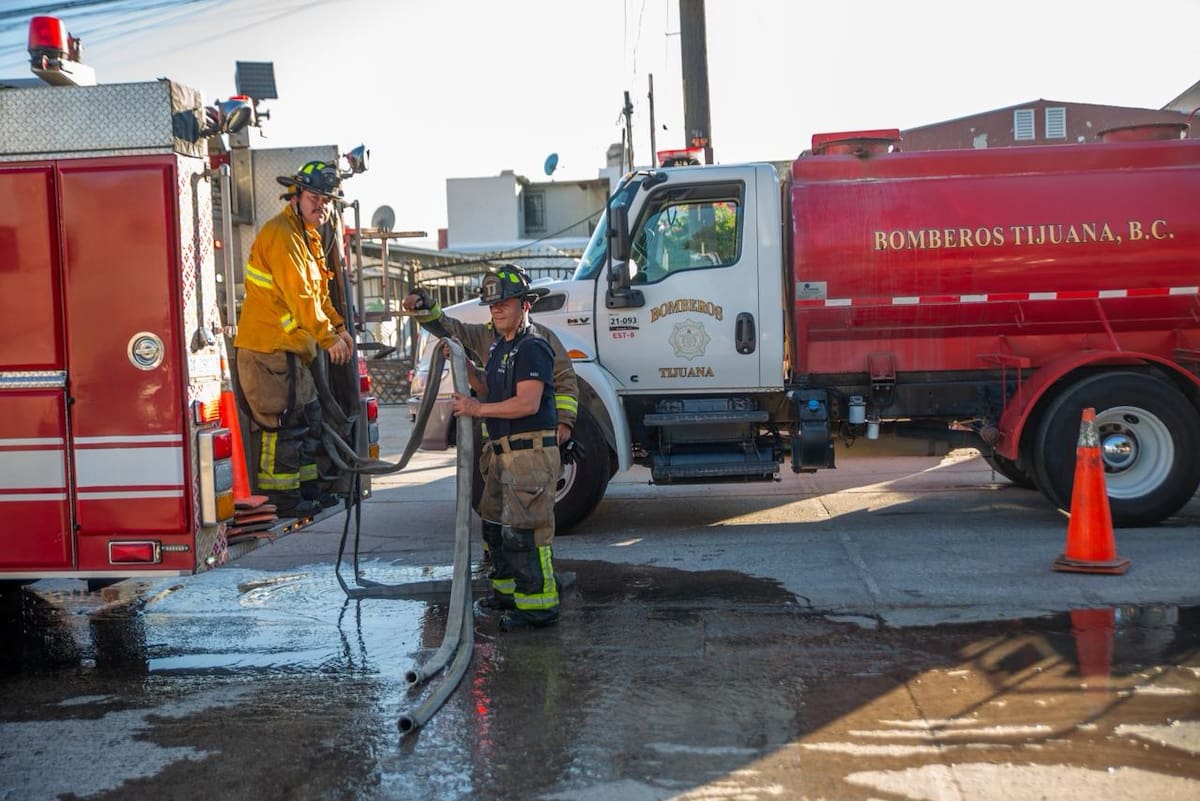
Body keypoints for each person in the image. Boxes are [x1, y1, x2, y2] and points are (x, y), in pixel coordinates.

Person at [402, 264, 582, 602]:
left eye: (504, 303)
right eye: (493, 305)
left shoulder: (537, 343)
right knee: (497, 527)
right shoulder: (495, 342)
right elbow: (454, 333)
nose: (497, 310)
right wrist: (426, 309)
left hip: (529, 450)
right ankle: (508, 595)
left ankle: (538, 606)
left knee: (527, 533)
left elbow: (558, 385)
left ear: (525, 304)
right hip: (501, 451)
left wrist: (564, 423)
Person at [233, 160, 354, 517]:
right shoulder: (282, 235)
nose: (322, 206)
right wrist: (328, 338)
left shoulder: (306, 236)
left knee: (309, 420)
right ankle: (282, 499)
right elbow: (301, 297)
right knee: (282, 425)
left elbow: (319, 295)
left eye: (327, 200)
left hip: (292, 348)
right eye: (315, 198)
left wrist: (339, 327)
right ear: (296, 196)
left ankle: (307, 491)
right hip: (268, 349)